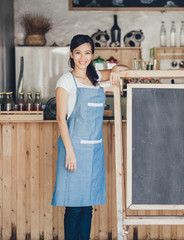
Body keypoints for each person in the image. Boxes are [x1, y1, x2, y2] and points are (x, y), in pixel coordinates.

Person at [51, 34, 128, 240]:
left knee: (87, 206)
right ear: (71, 54)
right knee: (74, 207)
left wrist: (114, 73)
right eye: (78, 53)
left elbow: (126, 70)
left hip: (94, 151)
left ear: (92, 55)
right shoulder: (66, 81)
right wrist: (69, 152)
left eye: (87, 52)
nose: (82, 57)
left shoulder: (95, 78)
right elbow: (60, 118)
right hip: (73, 149)